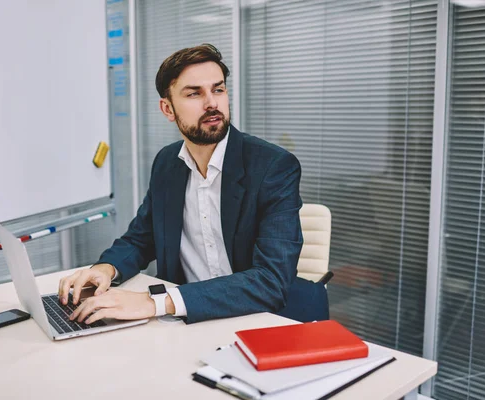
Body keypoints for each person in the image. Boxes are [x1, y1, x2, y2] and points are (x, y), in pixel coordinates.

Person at [58, 44, 328, 324]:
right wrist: (106, 268)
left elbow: (271, 281)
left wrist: (154, 302)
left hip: (261, 319)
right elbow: (142, 238)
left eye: (218, 89)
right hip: (191, 322)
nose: (211, 103)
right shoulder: (167, 163)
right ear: (168, 108)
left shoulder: (272, 166)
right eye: (194, 93)